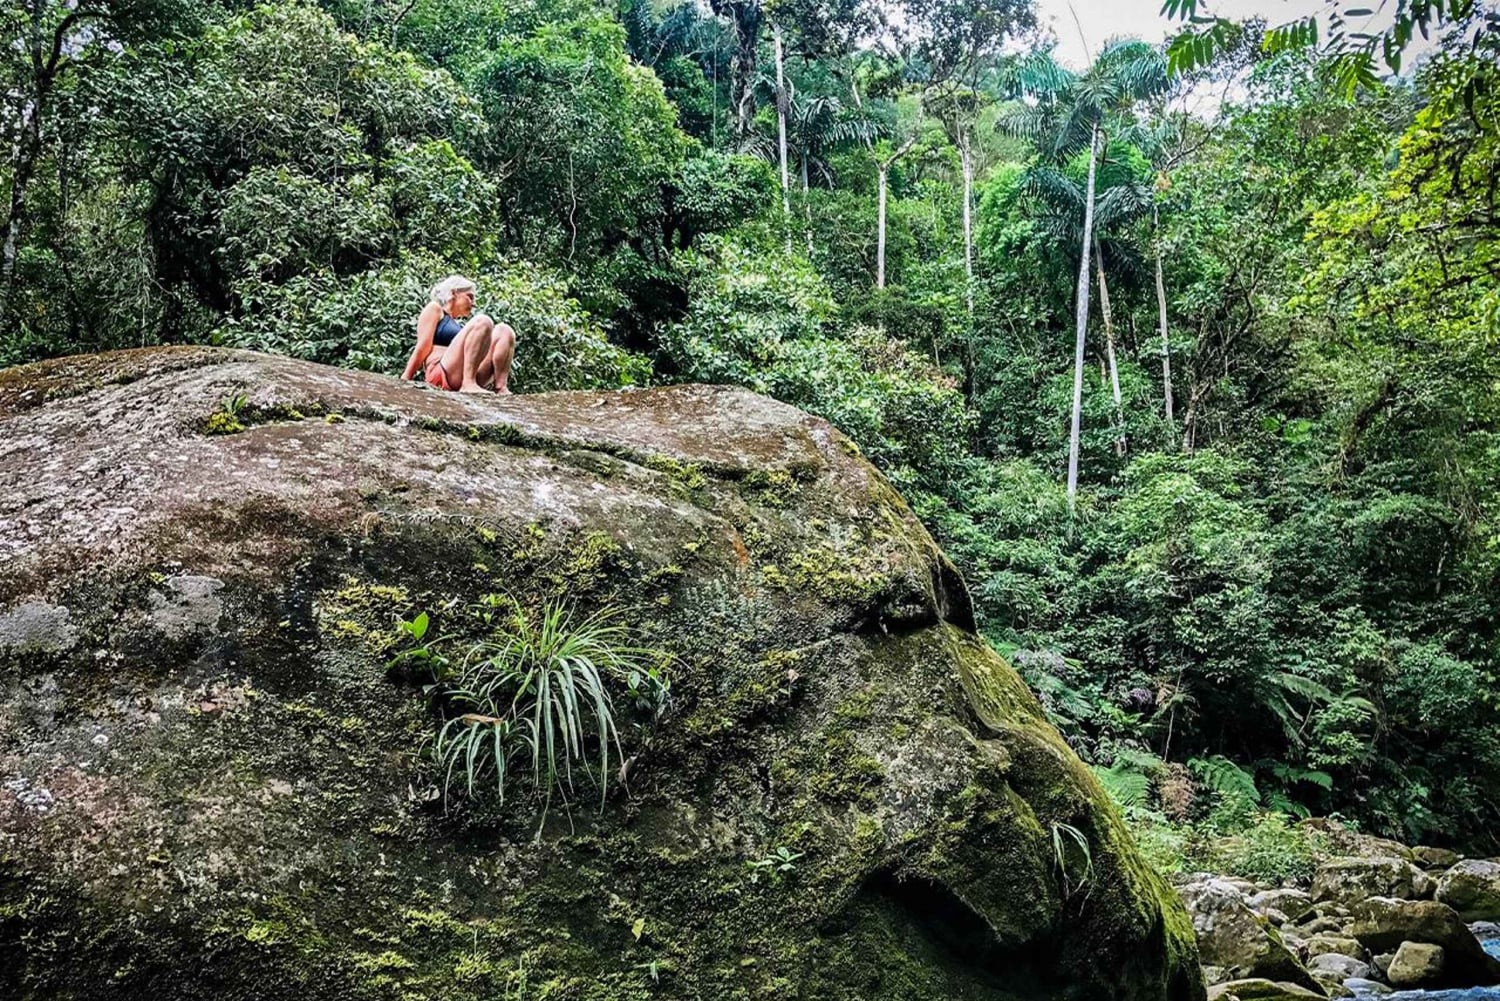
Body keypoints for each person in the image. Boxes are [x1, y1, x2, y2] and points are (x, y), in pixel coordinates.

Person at [401, 275, 516, 394]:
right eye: (470, 297)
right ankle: (468, 383)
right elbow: (422, 346)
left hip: (465, 372)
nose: (474, 304)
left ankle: (500, 387)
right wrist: (406, 377)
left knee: (504, 331)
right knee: (483, 321)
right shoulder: (435, 309)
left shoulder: (459, 326)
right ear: (454, 293)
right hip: (441, 372)